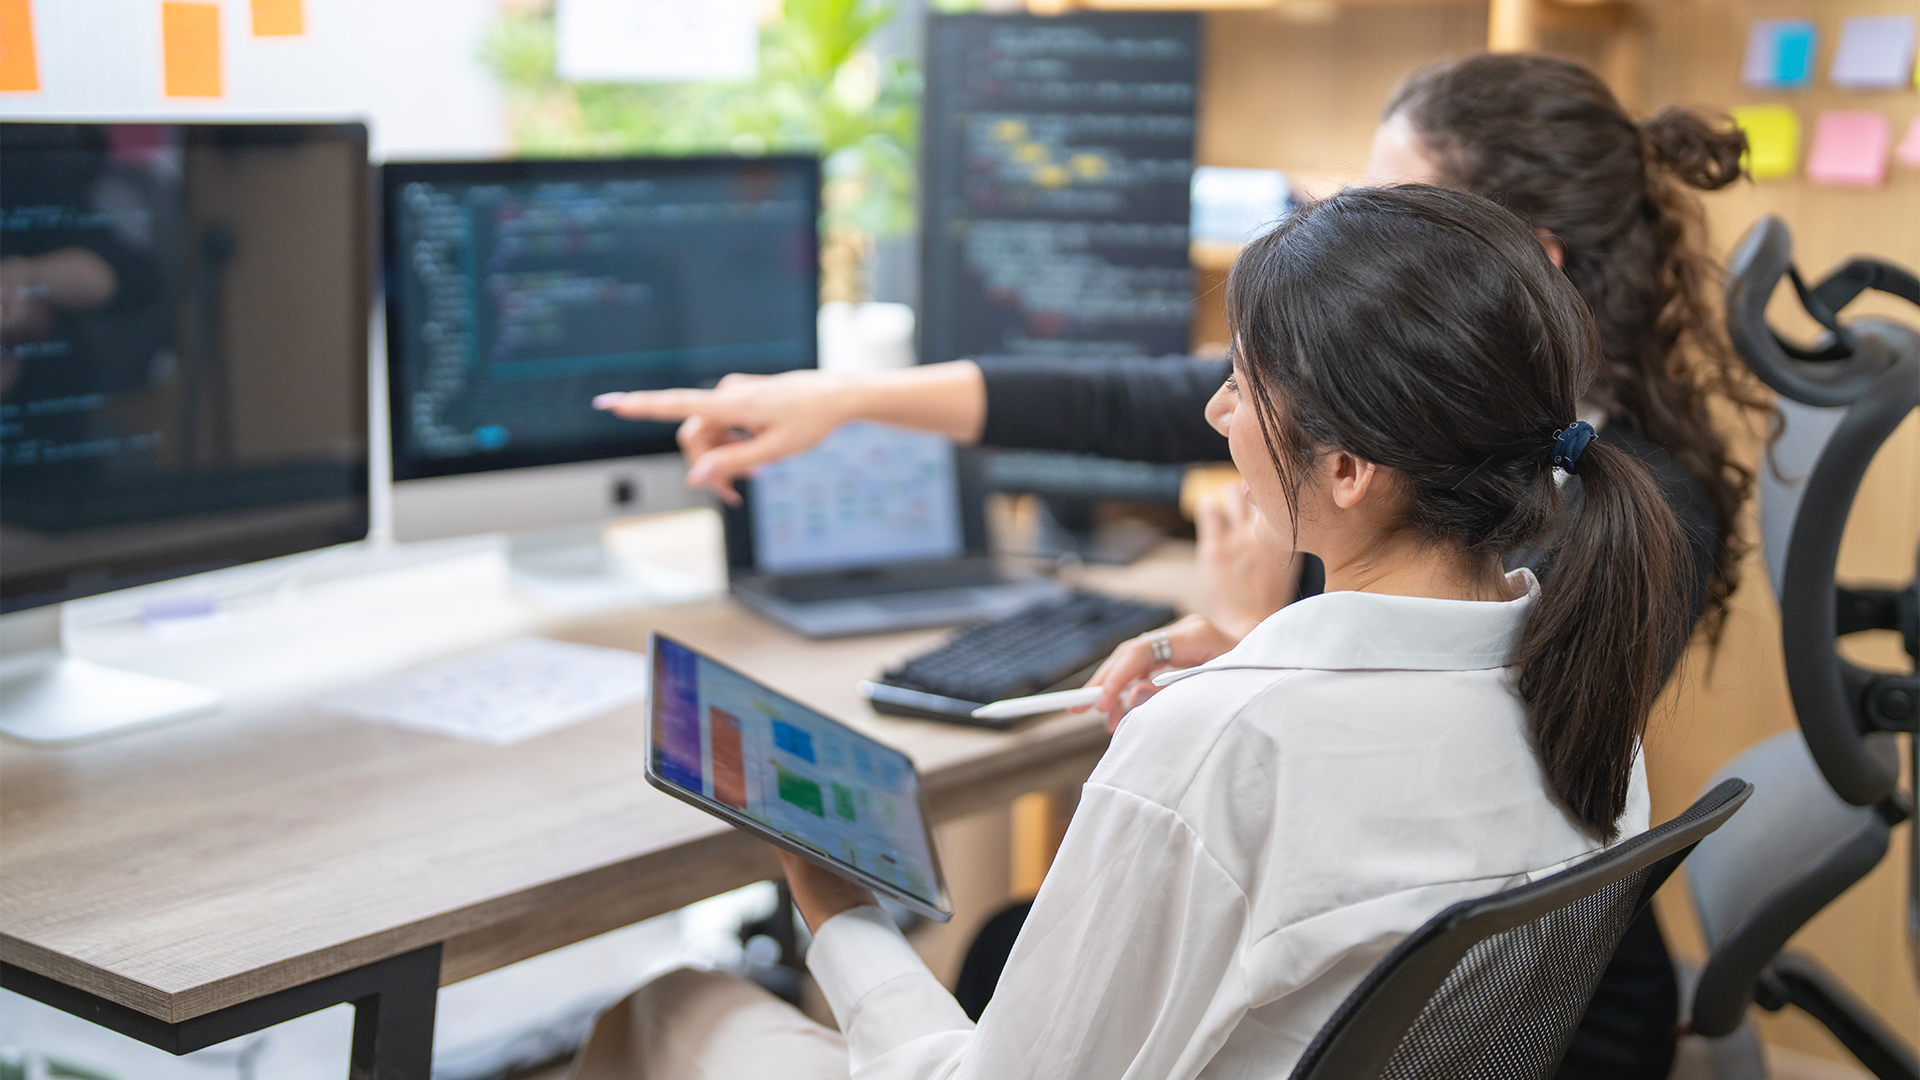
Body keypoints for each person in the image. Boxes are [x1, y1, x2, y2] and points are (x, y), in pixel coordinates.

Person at [594, 55, 1760, 1078]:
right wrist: (847, 399)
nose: (1212, 408)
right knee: (1008, 942)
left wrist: (836, 907)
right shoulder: (1571, 629)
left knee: (668, 1008)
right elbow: (1131, 401)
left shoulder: (1228, 743)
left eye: (1244, 387)